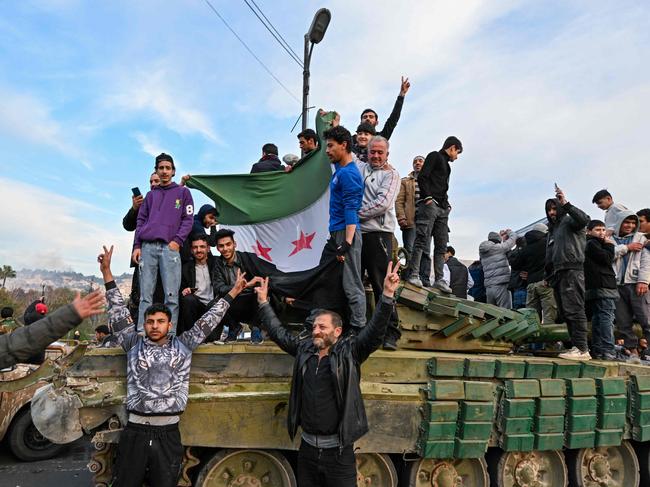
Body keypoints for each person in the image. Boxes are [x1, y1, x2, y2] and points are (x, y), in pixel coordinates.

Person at [97, 245, 247, 487]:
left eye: (160, 322)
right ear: (144, 325)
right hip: (135, 430)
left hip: (168, 434)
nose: (155, 326)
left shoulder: (184, 345)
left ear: (169, 324)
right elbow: (117, 311)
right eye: (150, 322)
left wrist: (233, 293)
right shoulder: (132, 343)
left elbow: (208, 321)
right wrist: (107, 273)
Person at [254, 262, 400, 487]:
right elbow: (279, 333)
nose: (316, 331)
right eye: (314, 327)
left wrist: (387, 295)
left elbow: (374, 332)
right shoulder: (305, 350)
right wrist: (264, 303)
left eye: (322, 327)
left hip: (338, 453)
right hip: (308, 451)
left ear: (337, 331)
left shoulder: (350, 352)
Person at [132, 153, 194, 332]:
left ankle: (171, 334)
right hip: (148, 247)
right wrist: (137, 246)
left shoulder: (183, 193)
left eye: (168, 168)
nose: (164, 171)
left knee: (171, 295)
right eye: (161, 168)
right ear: (156, 171)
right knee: (146, 296)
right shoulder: (151, 196)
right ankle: (142, 333)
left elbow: (188, 219)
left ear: (173, 171)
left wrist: (177, 241)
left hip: (170, 248)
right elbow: (140, 221)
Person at [356, 135, 401, 349]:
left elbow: (382, 204)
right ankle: (357, 328)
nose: (375, 155)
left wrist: (353, 215)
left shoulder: (391, 175)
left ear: (387, 155)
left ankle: (390, 332)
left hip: (379, 234)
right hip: (356, 235)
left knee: (382, 283)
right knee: (353, 283)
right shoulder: (359, 167)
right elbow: (338, 150)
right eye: (372, 151)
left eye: (380, 152)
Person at [404, 136, 463, 293]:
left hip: (442, 208)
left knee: (441, 244)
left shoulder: (447, 167)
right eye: (457, 152)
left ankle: (439, 279)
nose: (456, 157)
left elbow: (442, 186)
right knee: (422, 240)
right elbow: (423, 177)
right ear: (452, 148)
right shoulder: (434, 156)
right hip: (430, 205)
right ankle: (414, 274)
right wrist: (428, 197)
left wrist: (447, 204)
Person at [322, 125, 366, 330]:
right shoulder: (340, 170)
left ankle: (358, 329)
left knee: (352, 284)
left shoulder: (349, 174)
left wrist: (347, 243)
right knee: (333, 282)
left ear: (344, 145)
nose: (327, 150)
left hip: (345, 234)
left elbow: (351, 209)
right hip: (337, 233)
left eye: (331, 146)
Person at [545, 186, 591, 360]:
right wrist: (548, 275)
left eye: (554, 208)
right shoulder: (553, 229)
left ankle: (582, 348)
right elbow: (549, 255)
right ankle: (576, 346)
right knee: (565, 312)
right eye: (549, 209)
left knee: (575, 309)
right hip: (558, 273)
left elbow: (584, 219)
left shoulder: (570, 221)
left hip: (572, 269)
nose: (551, 212)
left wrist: (566, 204)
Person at [0, 292, 104, 369]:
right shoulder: (41, 321)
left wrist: (36, 302)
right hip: (36, 359)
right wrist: (70, 315)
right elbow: (26, 339)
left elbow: (27, 312)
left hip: (17, 362)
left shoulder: (28, 317)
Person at [212, 229, 265, 343]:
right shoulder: (217, 264)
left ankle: (256, 328)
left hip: (251, 302)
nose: (225, 249)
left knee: (261, 292)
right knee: (212, 305)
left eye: (228, 244)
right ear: (217, 248)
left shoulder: (248, 258)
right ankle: (235, 327)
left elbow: (264, 277)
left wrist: (255, 284)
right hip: (232, 303)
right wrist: (239, 286)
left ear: (234, 244)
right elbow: (219, 288)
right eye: (221, 246)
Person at [124, 173, 164, 323]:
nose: (153, 184)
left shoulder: (169, 202)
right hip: (142, 259)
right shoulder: (144, 203)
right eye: (151, 181)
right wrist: (134, 208)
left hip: (163, 259)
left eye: (156, 181)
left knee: (159, 298)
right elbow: (128, 225)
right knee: (140, 297)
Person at [612, 211, 650, 357]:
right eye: (627, 222)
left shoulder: (640, 237)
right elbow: (607, 256)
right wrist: (627, 248)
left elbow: (646, 261)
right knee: (623, 320)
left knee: (646, 318)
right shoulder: (609, 238)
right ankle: (631, 349)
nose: (630, 225)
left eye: (633, 223)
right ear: (619, 222)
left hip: (636, 284)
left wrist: (643, 281)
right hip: (616, 285)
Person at [584, 220, 619, 360]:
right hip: (603, 285)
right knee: (606, 317)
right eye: (598, 229)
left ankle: (598, 350)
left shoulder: (589, 243)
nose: (602, 233)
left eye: (603, 230)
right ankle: (608, 350)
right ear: (589, 231)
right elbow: (607, 259)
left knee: (598, 318)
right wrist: (610, 246)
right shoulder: (593, 243)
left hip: (594, 286)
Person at [395, 155, 431, 285]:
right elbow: (399, 201)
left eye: (420, 161)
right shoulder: (406, 181)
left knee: (426, 250)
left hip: (426, 221)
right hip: (411, 221)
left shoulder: (430, 181)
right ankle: (408, 277)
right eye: (415, 161)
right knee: (409, 249)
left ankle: (425, 279)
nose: (417, 163)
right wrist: (401, 217)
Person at [512, 223, 557, 323]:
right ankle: (550, 338)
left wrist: (526, 270)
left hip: (530, 284)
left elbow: (515, 264)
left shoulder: (526, 247)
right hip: (545, 282)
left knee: (532, 316)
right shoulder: (547, 244)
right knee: (549, 314)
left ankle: (534, 337)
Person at [178, 234, 216, 335]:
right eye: (195, 247)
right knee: (188, 299)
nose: (198, 250)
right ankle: (191, 335)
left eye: (202, 247)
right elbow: (179, 290)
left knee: (211, 339)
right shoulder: (185, 268)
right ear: (191, 250)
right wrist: (184, 291)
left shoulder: (217, 263)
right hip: (196, 308)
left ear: (208, 249)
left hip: (214, 307)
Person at [479, 229, 517, 308]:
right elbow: (513, 239)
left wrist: (500, 237)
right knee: (506, 314)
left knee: (492, 314)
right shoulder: (499, 248)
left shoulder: (482, 252)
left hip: (489, 288)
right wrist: (508, 232)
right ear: (498, 241)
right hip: (501, 286)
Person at [508, 237, 529, 309]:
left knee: (517, 309)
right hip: (522, 283)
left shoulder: (512, 253)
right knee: (523, 308)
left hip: (515, 285)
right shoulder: (522, 253)